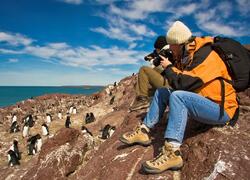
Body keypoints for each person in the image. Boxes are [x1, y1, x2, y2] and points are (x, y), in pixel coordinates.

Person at [120, 21, 238, 174]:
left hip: (222, 109)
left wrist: (169, 67)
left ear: (182, 43)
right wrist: (168, 66)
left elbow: (185, 84)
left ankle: (172, 153)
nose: (172, 51)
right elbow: (179, 81)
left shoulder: (206, 55)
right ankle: (144, 130)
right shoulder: (187, 54)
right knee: (163, 92)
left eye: (173, 47)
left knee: (178, 96)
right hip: (203, 101)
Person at [129, 36, 171, 111]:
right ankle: (148, 102)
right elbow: (153, 55)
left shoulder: (166, 51)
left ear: (160, 47)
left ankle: (143, 101)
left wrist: (152, 59)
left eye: (157, 49)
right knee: (142, 88)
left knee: (143, 69)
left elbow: (155, 63)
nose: (156, 50)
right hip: (169, 83)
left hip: (169, 84)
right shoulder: (169, 51)